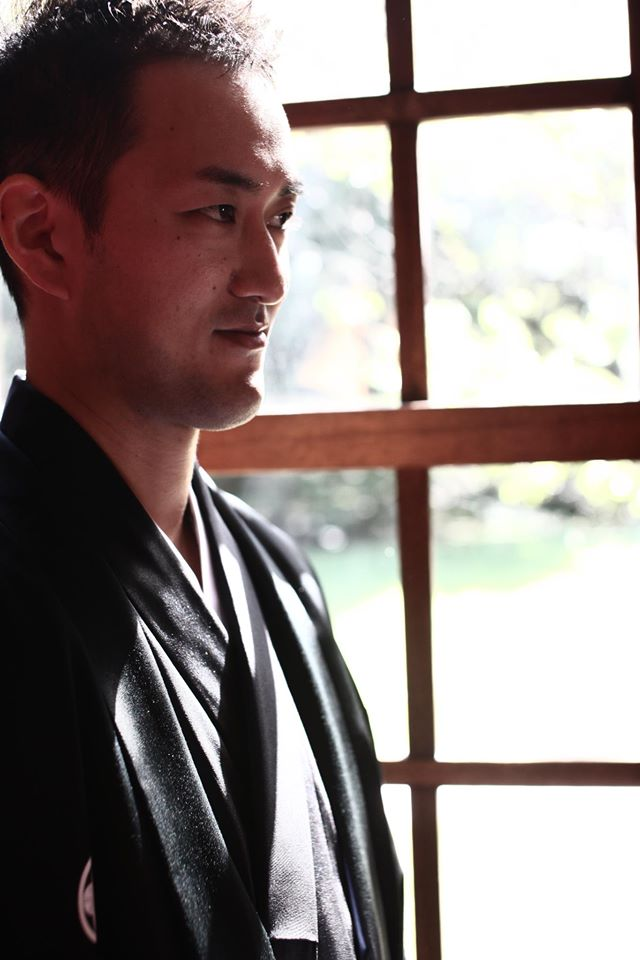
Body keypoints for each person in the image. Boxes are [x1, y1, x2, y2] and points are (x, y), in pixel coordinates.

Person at [0, 1, 403, 957]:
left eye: (280, 218)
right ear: (43, 234)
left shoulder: (278, 577)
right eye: (219, 212)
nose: (270, 277)